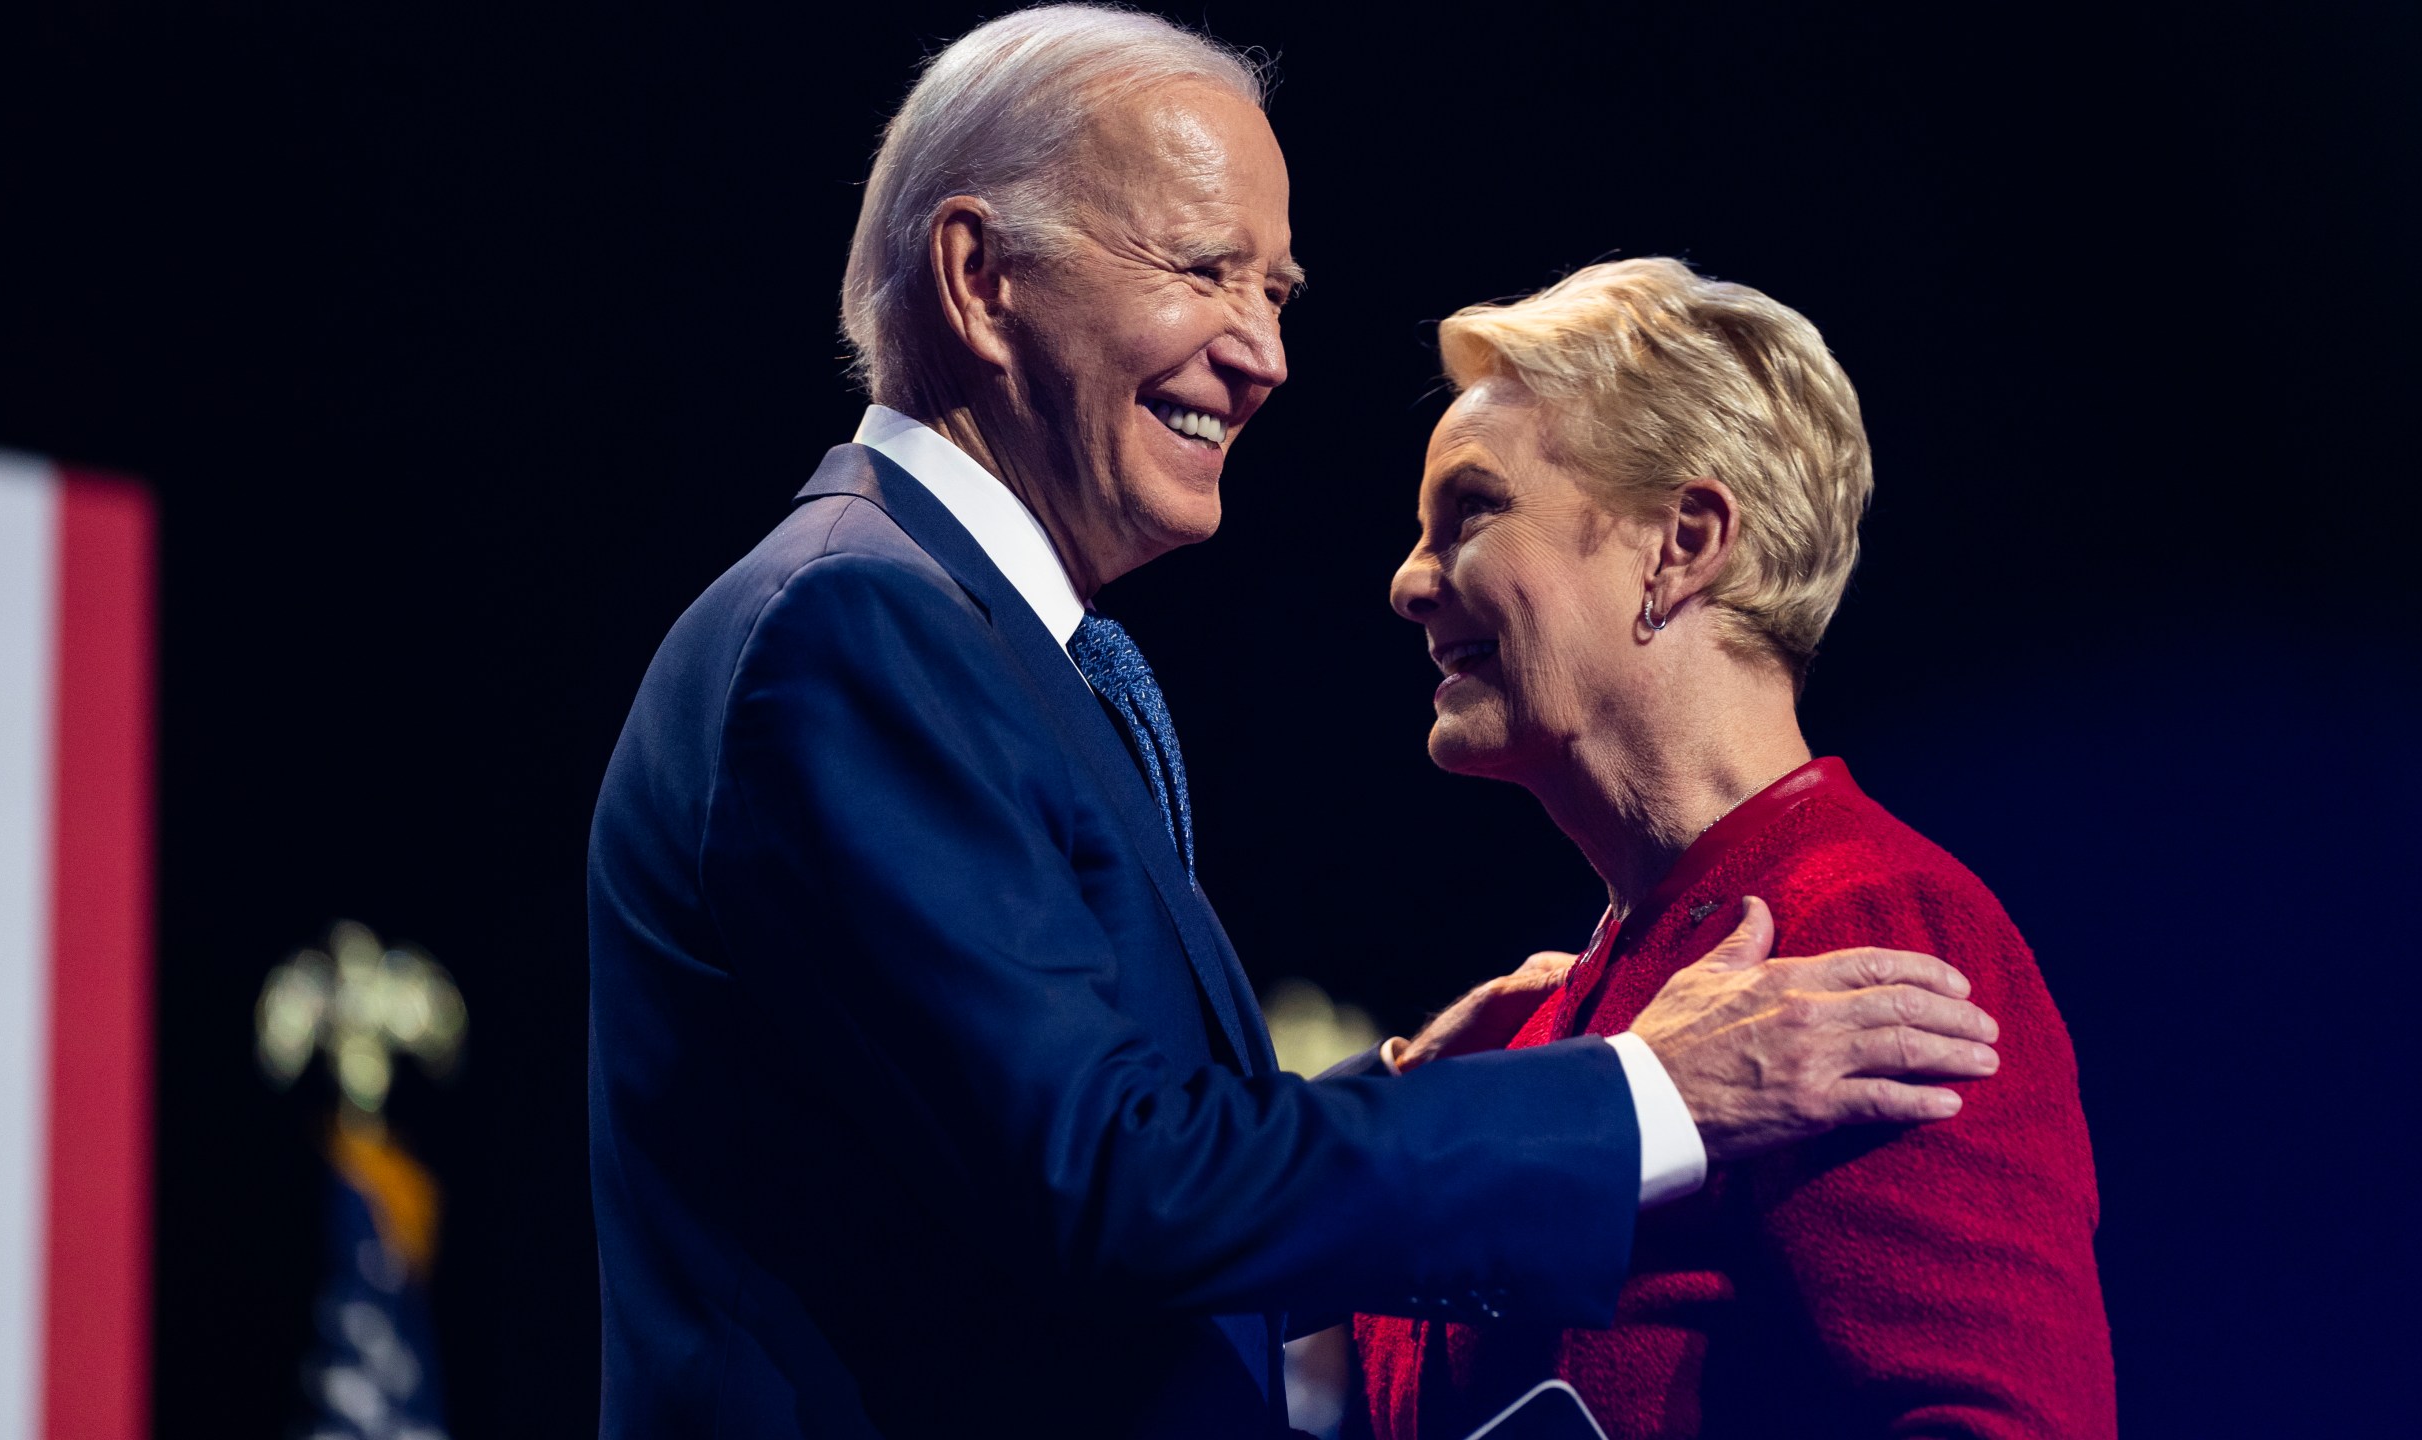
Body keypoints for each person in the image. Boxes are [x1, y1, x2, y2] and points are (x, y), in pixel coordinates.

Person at [585, 10, 2000, 1436]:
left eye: (1276, 291)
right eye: (1203, 271)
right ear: (982, 277)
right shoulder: (860, 630)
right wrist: (1645, 1098)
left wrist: (1395, 1103)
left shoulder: (956, 639)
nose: (1262, 354)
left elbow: (1017, 1175)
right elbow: (1106, 1184)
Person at [1351, 258, 2114, 1439]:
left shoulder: (1866, 925)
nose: (1408, 581)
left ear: (1682, 541)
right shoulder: (1538, 1035)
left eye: (1472, 512)